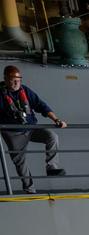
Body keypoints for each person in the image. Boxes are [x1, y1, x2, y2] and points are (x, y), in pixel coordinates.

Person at [2, 65, 66, 194]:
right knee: (20, 161)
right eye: (12, 80)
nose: (16, 83)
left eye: (18, 80)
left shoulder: (24, 90)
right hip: (13, 133)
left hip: (31, 128)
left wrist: (56, 120)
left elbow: (41, 105)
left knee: (52, 136)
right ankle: (29, 189)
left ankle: (52, 167)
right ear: (5, 79)